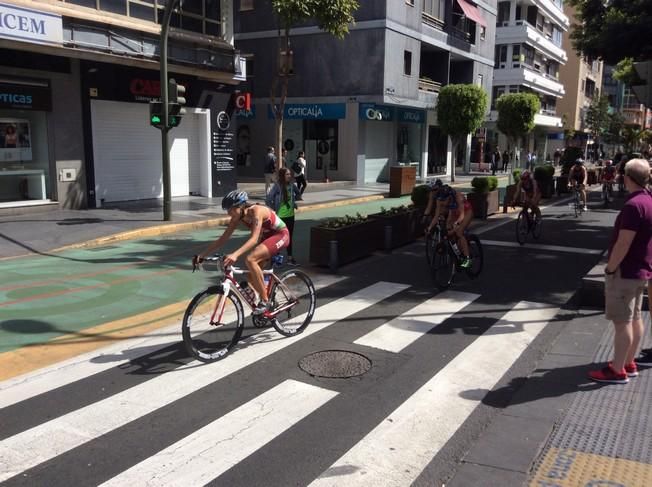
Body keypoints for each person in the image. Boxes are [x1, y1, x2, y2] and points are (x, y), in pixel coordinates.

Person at [589, 159, 652, 383]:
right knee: (635, 318)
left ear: (627, 177)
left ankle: (617, 370)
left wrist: (610, 268)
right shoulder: (648, 200)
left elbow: (623, 243)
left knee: (621, 322)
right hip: (641, 270)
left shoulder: (633, 206)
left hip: (625, 272)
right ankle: (628, 362)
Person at [195, 190, 290, 315]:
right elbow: (223, 239)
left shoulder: (257, 211)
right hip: (267, 238)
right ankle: (272, 302)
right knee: (251, 277)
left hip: (281, 235)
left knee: (251, 259)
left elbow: (254, 239)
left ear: (240, 206)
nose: (229, 213)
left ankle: (265, 301)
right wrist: (202, 255)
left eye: (230, 210)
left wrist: (235, 254)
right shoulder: (237, 217)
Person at [432, 185, 474, 269]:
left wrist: (456, 224)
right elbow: (450, 216)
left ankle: (468, 260)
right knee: (449, 231)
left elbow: (462, 215)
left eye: (445, 200)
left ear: (450, 196)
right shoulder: (448, 199)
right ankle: (458, 252)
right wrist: (448, 227)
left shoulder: (458, 197)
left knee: (459, 232)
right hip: (455, 213)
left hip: (466, 212)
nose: (443, 202)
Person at [266, 167, 300, 265]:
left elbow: (297, 194)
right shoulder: (277, 186)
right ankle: (277, 259)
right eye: (287, 174)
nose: (289, 176)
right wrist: (274, 208)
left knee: (289, 237)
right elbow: (268, 199)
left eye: (290, 174)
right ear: (282, 176)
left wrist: (294, 203)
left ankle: (290, 259)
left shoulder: (292, 185)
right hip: (280, 216)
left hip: (290, 215)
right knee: (279, 238)